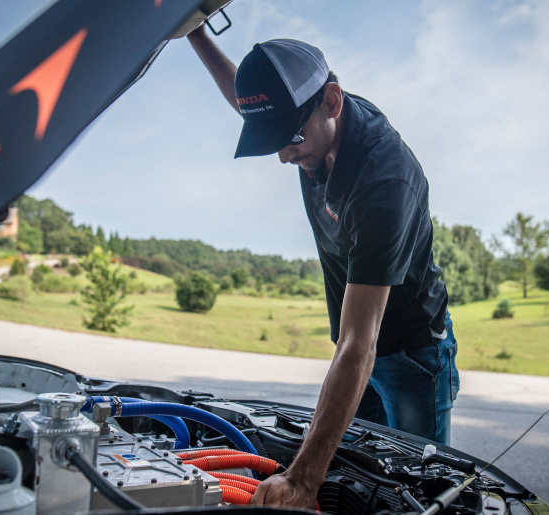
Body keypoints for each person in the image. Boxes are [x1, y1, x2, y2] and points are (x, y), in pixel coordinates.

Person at [187, 28, 459, 509]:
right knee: (358, 478)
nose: (284, 155)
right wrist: (194, 32)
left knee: (418, 490)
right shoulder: (310, 121)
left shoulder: (384, 179)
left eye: (289, 138)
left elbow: (360, 343)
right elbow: (254, 104)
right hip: (356, 358)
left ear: (331, 101)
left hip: (411, 353)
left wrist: (302, 480)